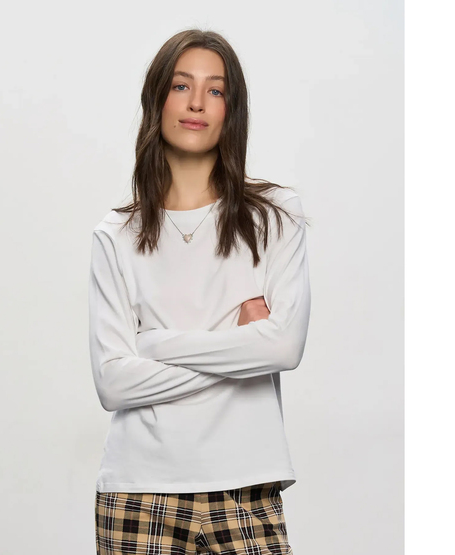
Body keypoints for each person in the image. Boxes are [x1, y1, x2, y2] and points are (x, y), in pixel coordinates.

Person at [88, 28, 311, 555]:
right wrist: (241, 352)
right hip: (137, 491)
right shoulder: (115, 235)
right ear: (157, 99)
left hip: (246, 484)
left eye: (215, 90)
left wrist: (154, 343)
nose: (196, 103)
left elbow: (283, 348)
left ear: (232, 110)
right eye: (181, 85)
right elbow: (113, 385)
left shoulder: (275, 216)